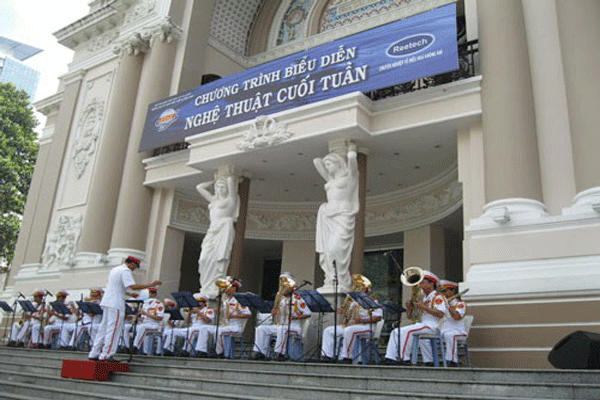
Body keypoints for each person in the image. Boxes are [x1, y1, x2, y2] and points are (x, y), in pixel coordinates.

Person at [88, 256, 161, 362]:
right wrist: (151, 285)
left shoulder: (115, 269)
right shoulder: (125, 271)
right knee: (113, 329)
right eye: (135, 266)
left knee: (103, 329)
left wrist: (129, 294)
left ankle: (94, 353)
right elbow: (133, 286)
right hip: (116, 303)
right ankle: (106, 355)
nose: (135, 269)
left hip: (108, 302)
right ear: (132, 263)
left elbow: (117, 287)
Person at [313, 143, 359, 292]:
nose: (327, 168)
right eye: (326, 165)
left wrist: (351, 154)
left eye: (329, 164)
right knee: (327, 251)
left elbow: (353, 169)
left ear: (338, 163)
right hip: (328, 217)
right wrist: (323, 161)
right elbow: (316, 162)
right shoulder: (330, 180)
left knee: (335, 249)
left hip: (343, 216)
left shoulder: (350, 178)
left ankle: (342, 282)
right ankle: (330, 280)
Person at [384, 271, 446, 365]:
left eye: (423, 283)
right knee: (396, 331)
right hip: (423, 324)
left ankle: (404, 358)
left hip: (433, 325)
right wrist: (409, 308)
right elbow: (410, 317)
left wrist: (423, 307)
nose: (420, 286)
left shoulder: (438, 297)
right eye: (420, 283)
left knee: (407, 331)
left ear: (431, 284)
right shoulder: (423, 298)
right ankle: (390, 357)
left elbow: (441, 314)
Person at [196, 176, 240, 299]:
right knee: (204, 259)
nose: (220, 189)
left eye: (223, 187)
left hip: (223, 230)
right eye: (218, 187)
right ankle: (206, 287)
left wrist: (227, 178)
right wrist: (214, 180)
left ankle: (215, 287)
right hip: (212, 231)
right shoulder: (213, 200)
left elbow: (231, 180)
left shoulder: (230, 200)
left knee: (218, 259)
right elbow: (199, 187)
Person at [252, 273, 311, 361]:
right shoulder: (281, 299)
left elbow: (308, 313)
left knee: (282, 329)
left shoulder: (297, 299)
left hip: (294, 327)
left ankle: (279, 353)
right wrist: (274, 312)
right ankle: (261, 352)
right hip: (280, 325)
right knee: (261, 329)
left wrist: (296, 317)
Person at [321, 274, 377, 362]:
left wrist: (362, 320)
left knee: (349, 331)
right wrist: (342, 310)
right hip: (350, 325)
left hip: (366, 326)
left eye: (361, 286)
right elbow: (347, 314)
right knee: (328, 330)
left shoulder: (373, 300)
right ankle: (327, 356)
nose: (358, 288)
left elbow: (378, 317)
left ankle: (346, 357)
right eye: (358, 286)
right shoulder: (352, 300)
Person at [210, 276, 251, 357]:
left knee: (219, 332)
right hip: (227, 325)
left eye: (228, 287)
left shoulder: (239, 300)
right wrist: (218, 310)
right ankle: (216, 351)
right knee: (215, 330)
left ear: (234, 288)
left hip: (236, 326)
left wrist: (234, 316)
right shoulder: (226, 301)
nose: (226, 290)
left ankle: (220, 353)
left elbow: (248, 314)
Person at [439, 280, 467, 367]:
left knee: (450, 335)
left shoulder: (460, 303)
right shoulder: (443, 303)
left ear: (453, 291)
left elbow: (456, 317)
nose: (443, 294)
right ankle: (431, 361)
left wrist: (448, 306)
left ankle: (452, 361)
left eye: (445, 291)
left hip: (458, 331)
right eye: (442, 292)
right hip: (444, 330)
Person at [132, 287, 164, 355]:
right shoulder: (144, 303)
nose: (150, 295)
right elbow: (143, 317)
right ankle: (144, 351)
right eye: (149, 293)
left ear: (155, 294)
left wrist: (146, 314)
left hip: (155, 325)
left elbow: (160, 318)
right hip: (145, 323)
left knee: (142, 328)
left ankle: (135, 347)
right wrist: (138, 318)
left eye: (152, 293)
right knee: (135, 327)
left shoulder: (158, 304)